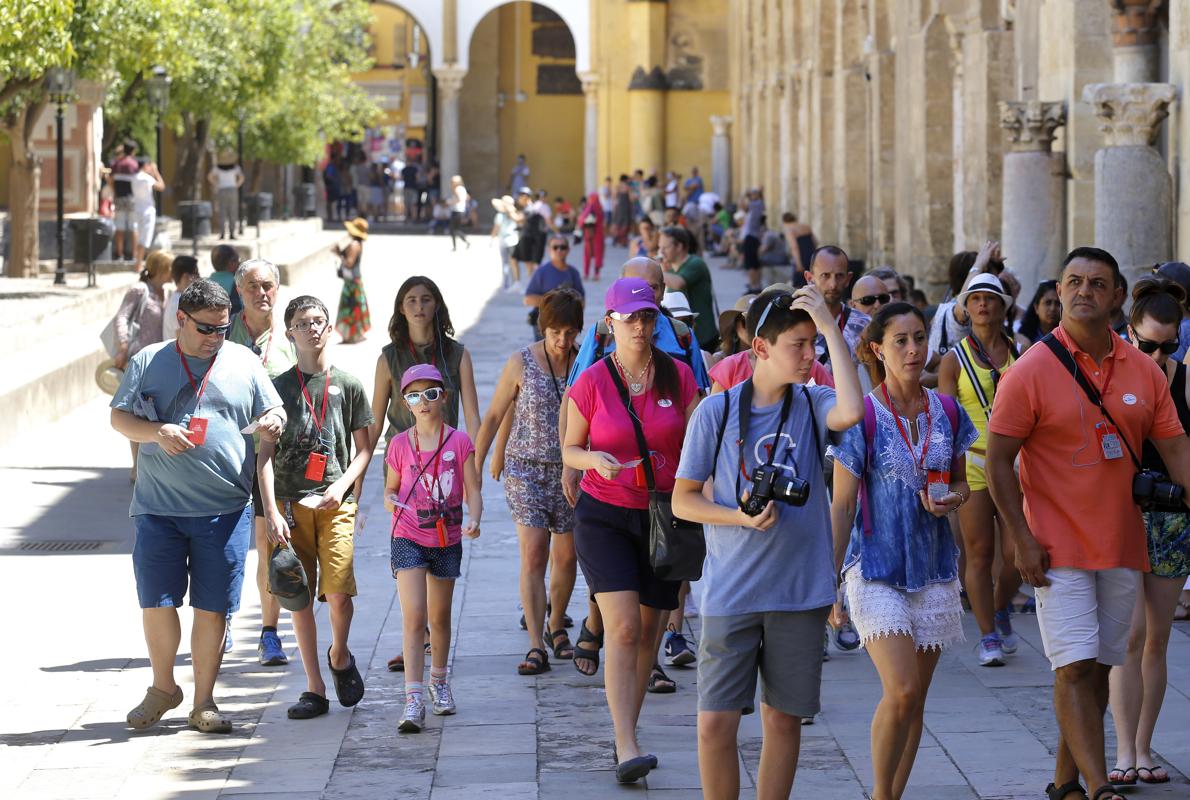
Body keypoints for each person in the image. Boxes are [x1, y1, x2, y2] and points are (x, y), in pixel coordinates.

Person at [986, 247, 1190, 800]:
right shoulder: (1030, 369)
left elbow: (1176, 450)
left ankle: (1065, 782)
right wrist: (1021, 539)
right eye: (1073, 281)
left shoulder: (1143, 370)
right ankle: (1100, 789)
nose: (1083, 291)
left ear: (1118, 296)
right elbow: (998, 460)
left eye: (1097, 284)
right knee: (1074, 668)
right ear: (1059, 290)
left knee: (1096, 672)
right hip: (1056, 546)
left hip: (1123, 542)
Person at [672, 284, 863, 798]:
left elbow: (852, 410)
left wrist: (828, 326)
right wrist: (738, 516)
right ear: (760, 349)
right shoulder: (716, 412)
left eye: (813, 345)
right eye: (797, 345)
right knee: (714, 726)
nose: (809, 356)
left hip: (799, 593)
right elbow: (683, 500)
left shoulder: (813, 399)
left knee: (783, 721)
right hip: (731, 592)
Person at [110, 279, 285, 734]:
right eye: (206, 328)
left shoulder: (243, 361)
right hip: (157, 507)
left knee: (213, 609)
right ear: (181, 319)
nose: (214, 338)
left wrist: (273, 421)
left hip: (224, 509)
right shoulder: (149, 361)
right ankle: (163, 688)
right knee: (157, 601)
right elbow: (119, 417)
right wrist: (156, 433)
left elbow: (275, 410)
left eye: (223, 329)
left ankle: (204, 701)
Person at [829, 302, 978, 800]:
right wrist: (827, 582)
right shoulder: (861, 416)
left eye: (919, 338)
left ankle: (891, 796)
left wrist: (952, 499)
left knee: (917, 701)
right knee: (903, 690)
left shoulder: (947, 409)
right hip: (874, 567)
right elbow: (843, 500)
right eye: (900, 341)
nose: (914, 349)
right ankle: (877, 793)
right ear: (877, 349)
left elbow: (962, 483)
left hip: (934, 570)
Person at [562, 278, 700, 784]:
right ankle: (626, 743)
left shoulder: (680, 376)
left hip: (665, 517)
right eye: (631, 317)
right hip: (604, 514)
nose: (641, 326)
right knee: (621, 626)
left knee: (648, 631)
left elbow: (700, 437)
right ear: (611, 323)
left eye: (648, 317)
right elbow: (569, 449)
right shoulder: (593, 381)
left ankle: (629, 725)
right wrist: (592, 458)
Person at [256, 295, 373, 719]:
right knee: (296, 594)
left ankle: (339, 655)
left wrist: (342, 486)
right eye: (303, 323)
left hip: (335, 501)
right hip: (289, 505)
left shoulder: (349, 384)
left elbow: (364, 449)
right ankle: (314, 688)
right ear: (290, 333)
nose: (312, 328)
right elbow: (264, 456)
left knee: (339, 594)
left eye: (319, 321)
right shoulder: (278, 388)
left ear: (331, 328)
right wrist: (270, 512)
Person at [367, 277, 482, 671]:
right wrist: (357, 472)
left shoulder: (457, 354)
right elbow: (374, 420)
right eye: (411, 300)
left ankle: (432, 637)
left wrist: (476, 471)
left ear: (437, 305)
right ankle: (417, 636)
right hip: (405, 468)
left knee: (441, 549)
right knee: (410, 551)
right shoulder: (387, 358)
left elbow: (473, 417)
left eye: (426, 299)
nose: (419, 306)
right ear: (401, 308)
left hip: (448, 466)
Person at [475, 289, 584, 675]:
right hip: (526, 470)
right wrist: (480, 460)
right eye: (555, 331)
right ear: (544, 328)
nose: (562, 341)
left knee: (567, 556)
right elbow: (494, 415)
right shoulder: (521, 361)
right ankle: (537, 643)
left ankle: (558, 625)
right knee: (535, 553)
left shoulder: (584, 362)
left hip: (570, 471)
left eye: (570, 332)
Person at [1108, 276, 1190, 786]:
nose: (1158, 355)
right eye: (1148, 344)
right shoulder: (1116, 375)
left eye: (1169, 345)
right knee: (1129, 637)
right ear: (1130, 332)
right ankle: (1122, 752)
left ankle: (1143, 747)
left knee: (1156, 640)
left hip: (1174, 519)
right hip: (1121, 514)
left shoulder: (1183, 378)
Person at [385, 364, 482, 731]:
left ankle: (438, 683)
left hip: (446, 537)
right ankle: (412, 700)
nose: (422, 402)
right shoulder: (398, 445)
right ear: (405, 402)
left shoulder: (459, 442)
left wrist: (474, 518)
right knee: (414, 617)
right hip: (407, 533)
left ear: (444, 396)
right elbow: (390, 490)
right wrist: (391, 501)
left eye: (430, 393)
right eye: (414, 395)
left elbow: (473, 488)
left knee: (439, 618)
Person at [937, 274, 1021, 667]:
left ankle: (1000, 608)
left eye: (991, 299)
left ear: (1004, 307)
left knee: (1018, 553)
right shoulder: (954, 359)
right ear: (966, 309)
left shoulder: (1021, 351)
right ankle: (987, 634)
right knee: (979, 553)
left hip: (1016, 463)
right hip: (972, 461)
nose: (983, 305)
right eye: (976, 299)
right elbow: (945, 415)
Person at [226, 258, 297, 664]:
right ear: (240, 292)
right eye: (253, 286)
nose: (261, 293)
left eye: (268, 285)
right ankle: (223, 619)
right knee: (227, 547)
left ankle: (269, 632)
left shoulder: (290, 336)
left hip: (274, 459)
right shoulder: (222, 334)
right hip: (230, 457)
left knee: (270, 542)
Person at [567, 257, 711, 392]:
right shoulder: (600, 334)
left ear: (663, 290)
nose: (644, 295)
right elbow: (574, 394)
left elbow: (699, 396)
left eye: (652, 288)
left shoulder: (682, 336)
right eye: (634, 287)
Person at [113, 251, 171, 482]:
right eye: (168, 267)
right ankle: (137, 466)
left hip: (161, 359)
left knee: (154, 412)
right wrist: (123, 345)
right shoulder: (140, 290)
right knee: (136, 411)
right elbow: (122, 317)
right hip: (139, 359)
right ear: (159, 268)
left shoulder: (165, 293)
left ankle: (149, 465)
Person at [803, 246, 869, 378]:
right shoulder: (794, 322)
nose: (833, 284)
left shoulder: (864, 325)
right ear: (809, 277)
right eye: (825, 276)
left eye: (839, 276)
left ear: (848, 279)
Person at [661, 225, 718, 352]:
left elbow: (679, 283)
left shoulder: (695, 263)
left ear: (679, 246)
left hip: (702, 337)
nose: (661, 252)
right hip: (683, 336)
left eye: (665, 248)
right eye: (660, 248)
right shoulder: (670, 270)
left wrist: (654, 271)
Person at [524, 234, 584, 339]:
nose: (559, 250)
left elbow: (582, 301)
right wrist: (557, 302)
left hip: (567, 326)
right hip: (546, 325)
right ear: (549, 250)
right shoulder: (541, 272)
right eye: (555, 247)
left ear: (568, 250)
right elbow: (528, 299)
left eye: (563, 247)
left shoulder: (573, 272)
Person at [333, 217, 371, 344]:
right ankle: (352, 335)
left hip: (351, 283)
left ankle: (350, 336)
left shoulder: (354, 245)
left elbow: (349, 263)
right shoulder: (356, 243)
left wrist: (339, 254)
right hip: (354, 281)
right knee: (354, 308)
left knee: (350, 308)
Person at [130, 158, 164, 270]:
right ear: (145, 165)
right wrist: (155, 172)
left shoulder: (134, 177)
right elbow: (161, 186)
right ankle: (138, 263)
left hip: (137, 210)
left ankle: (138, 262)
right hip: (147, 211)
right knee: (144, 239)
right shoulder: (146, 178)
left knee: (140, 236)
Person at [110, 141, 140, 261]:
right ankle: (134, 255)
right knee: (134, 227)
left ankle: (120, 254)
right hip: (132, 199)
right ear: (132, 151)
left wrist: (115, 192)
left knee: (119, 227)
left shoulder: (116, 164)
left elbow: (111, 180)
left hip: (119, 199)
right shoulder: (134, 165)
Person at [207, 149, 245, 240]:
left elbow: (209, 177)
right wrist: (236, 185)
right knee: (233, 211)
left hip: (222, 189)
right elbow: (242, 177)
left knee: (222, 212)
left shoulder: (217, 167)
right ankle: (232, 233)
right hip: (232, 190)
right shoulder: (235, 167)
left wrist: (216, 183)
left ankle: (222, 233)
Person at [1015, 279, 1061, 352]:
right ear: (1036, 307)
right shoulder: (1023, 339)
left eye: (1058, 304)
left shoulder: (1067, 338)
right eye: (1048, 303)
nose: (1053, 308)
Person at [163, 255, 200, 341]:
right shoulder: (178, 305)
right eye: (196, 274)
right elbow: (183, 341)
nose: (199, 278)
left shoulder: (178, 300)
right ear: (186, 277)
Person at [490, 195, 521, 291]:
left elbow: (496, 228)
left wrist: (492, 238)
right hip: (513, 240)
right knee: (514, 263)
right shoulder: (515, 214)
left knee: (506, 263)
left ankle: (507, 283)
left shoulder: (500, 215)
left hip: (504, 241)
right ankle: (516, 282)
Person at [742, 189, 766, 292]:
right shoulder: (760, 204)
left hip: (751, 237)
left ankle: (753, 286)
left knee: (750, 263)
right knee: (755, 263)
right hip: (754, 237)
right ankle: (757, 285)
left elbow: (742, 206)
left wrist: (745, 195)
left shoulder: (755, 204)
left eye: (753, 194)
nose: (751, 196)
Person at [577, 192, 605, 280]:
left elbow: (582, 220)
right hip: (599, 235)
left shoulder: (590, 207)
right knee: (598, 255)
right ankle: (597, 274)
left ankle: (586, 274)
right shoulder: (600, 208)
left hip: (589, 235)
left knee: (587, 255)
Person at [209, 245, 242, 316]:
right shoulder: (238, 284)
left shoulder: (205, 283)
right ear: (231, 263)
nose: (240, 263)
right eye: (238, 260)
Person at [782, 213, 817, 277]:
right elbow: (815, 242)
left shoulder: (789, 229)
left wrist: (798, 263)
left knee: (799, 282)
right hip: (812, 255)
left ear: (784, 221)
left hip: (801, 257)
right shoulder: (806, 226)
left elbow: (794, 247)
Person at [448, 175, 470, 251]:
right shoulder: (463, 189)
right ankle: (459, 244)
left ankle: (461, 243)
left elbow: (459, 199)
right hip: (461, 210)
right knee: (455, 229)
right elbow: (467, 197)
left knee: (454, 230)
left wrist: (450, 202)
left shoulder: (457, 189)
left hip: (456, 210)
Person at [611, 175, 634, 247]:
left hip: (618, 207)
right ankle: (623, 241)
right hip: (626, 207)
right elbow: (631, 199)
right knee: (625, 224)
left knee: (618, 223)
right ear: (626, 179)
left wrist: (614, 208)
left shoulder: (616, 187)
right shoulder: (628, 187)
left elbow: (614, 198)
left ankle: (616, 238)